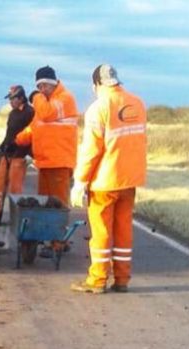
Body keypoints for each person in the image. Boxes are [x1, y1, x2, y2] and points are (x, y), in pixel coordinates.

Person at [70, 64, 147, 294]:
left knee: (102, 232)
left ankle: (97, 280)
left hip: (105, 182)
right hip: (130, 179)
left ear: (96, 84)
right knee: (124, 230)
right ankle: (122, 279)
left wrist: (80, 181)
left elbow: (91, 150)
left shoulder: (98, 108)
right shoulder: (138, 103)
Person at [15, 66, 79, 206]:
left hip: (59, 163)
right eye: (39, 86)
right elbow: (34, 127)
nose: (42, 89)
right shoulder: (45, 102)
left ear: (53, 83)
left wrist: (36, 97)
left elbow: (46, 113)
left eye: (44, 85)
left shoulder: (65, 98)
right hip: (45, 163)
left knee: (58, 206)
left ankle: (60, 229)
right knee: (44, 206)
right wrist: (16, 140)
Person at [0, 85, 34, 221]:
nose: (10, 102)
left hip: (19, 156)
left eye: (12, 99)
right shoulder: (13, 114)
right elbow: (9, 134)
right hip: (7, 153)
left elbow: (33, 135)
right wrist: (2, 148)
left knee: (15, 189)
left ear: (20, 98)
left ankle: (15, 219)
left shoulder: (30, 113)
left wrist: (30, 154)